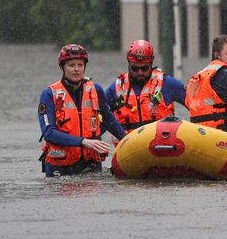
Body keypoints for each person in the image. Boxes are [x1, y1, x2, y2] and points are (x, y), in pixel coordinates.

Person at [38, 43, 126, 177]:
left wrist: (127, 141)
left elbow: (109, 120)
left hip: (90, 163)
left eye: (80, 65)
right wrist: (83, 142)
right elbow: (49, 132)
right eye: (71, 65)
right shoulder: (49, 94)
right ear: (62, 67)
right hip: (60, 166)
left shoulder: (95, 90)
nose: (76, 69)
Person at [106, 39, 187, 131]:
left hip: (161, 143)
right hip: (128, 144)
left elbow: (195, 106)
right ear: (129, 64)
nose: (140, 72)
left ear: (151, 64)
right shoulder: (116, 89)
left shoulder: (168, 84)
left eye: (145, 68)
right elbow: (100, 120)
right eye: (135, 68)